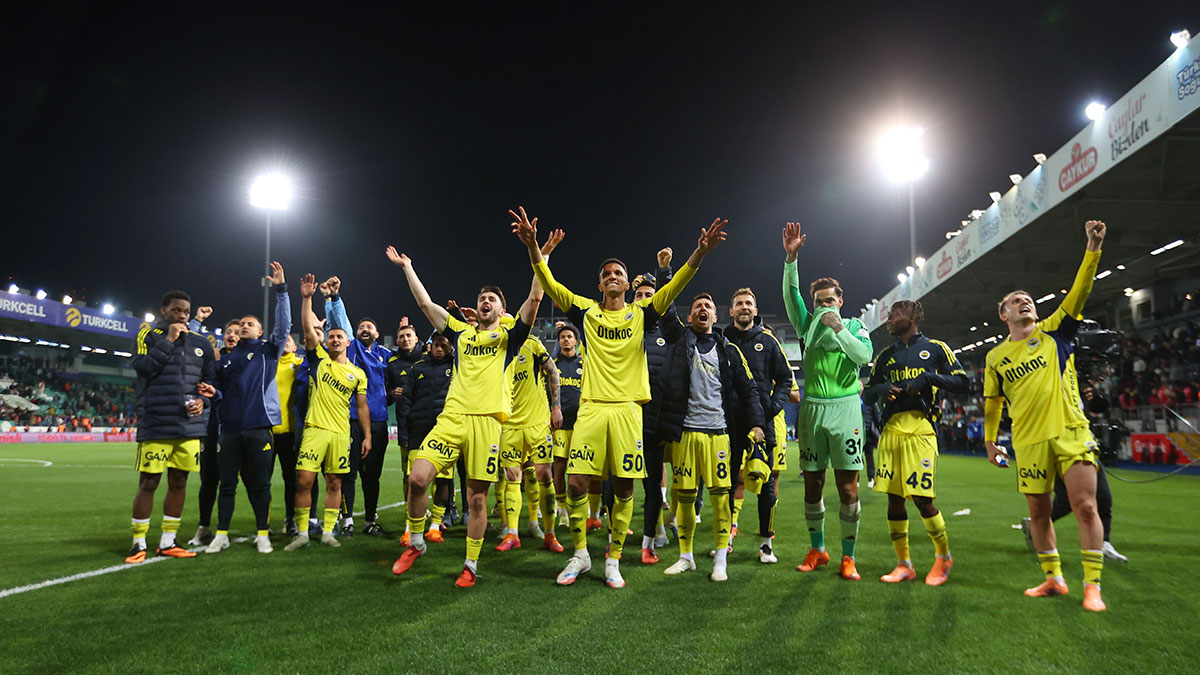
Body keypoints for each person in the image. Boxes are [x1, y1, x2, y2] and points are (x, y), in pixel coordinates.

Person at [515, 206, 727, 588]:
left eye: (618, 273)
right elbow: (547, 281)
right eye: (606, 275)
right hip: (592, 409)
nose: (612, 277)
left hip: (629, 410)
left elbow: (676, 285)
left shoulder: (642, 312)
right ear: (600, 286)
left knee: (626, 488)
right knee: (576, 483)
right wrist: (534, 248)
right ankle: (581, 554)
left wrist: (700, 252)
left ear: (627, 284)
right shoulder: (586, 312)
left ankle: (613, 559)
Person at [386, 243, 541, 588]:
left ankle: (470, 564)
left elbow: (535, 299)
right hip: (453, 417)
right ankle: (416, 542)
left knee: (477, 499)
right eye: (482, 297)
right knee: (417, 479)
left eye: (492, 299)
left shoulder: (510, 338)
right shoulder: (460, 333)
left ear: (502, 310)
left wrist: (537, 254)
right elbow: (426, 304)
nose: (485, 301)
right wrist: (407, 267)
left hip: (488, 422)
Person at [984, 219, 1110, 612]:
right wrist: (990, 441)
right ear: (1003, 314)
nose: (1024, 302)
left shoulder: (1056, 331)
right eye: (1015, 301)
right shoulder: (995, 357)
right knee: (1038, 512)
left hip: (1070, 431)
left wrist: (1092, 249)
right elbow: (994, 402)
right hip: (1028, 440)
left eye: (1028, 299)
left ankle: (1092, 586)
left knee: (1085, 506)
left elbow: (1081, 290)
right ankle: (1053, 578)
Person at [781, 222, 873, 581]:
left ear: (841, 301)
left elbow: (863, 356)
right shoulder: (806, 325)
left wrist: (838, 328)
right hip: (813, 410)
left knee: (848, 486)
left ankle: (848, 557)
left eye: (829, 301)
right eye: (819, 302)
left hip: (846, 410)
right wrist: (791, 260)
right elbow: (791, 296)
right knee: (813, 484)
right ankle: (818, 549)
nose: (824, 306)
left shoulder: (855, 327)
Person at [658, 293, 766, 581]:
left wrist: (757, 423)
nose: (703, 309)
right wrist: (665, 275)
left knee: (720, 499)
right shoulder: (679, 342)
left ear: (715, 317)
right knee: (685, 499)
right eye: (697, 306)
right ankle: (686, 557)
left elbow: (749, 389)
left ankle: (720, 559)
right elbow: (666, 313)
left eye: (708, 306)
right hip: (685, 433)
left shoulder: (729, 350)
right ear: (690, 316)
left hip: (718, 433)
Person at [863, 299, 969, 585]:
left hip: (921, 431)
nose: (889, 318)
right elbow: (867, 394)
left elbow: (963, 382)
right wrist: (882, 388)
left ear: (912, 317)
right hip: (891, 432)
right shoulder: (885, 356)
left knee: (922, 500)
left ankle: (943, 557)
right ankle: (904, 564)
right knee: (894, 500)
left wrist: (928, 379)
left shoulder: (936, 348)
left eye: (894, 313)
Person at [126, 290, 219, 563]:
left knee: (179, 482)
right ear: (164, 311)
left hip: (189, 426)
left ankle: (168, 541)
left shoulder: (201, 344)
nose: (182, 316)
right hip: (156, 422)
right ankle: (138, 543)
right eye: (177, 310)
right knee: (149, 482)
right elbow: (143, 367)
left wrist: (203, 400)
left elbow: (210, 382)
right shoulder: (147, 336)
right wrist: (169, 340)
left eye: (186, 312)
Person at [207, 261, 292, 555]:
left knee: (260, 485)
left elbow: (284, 325)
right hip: (229, 430)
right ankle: (221, 534)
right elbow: (220, 392)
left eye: (250, 324)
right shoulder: (225, 360)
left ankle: (262, 534)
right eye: (241, 324)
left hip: (258, 428)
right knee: (227, 485)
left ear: (260, 331)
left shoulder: (268, 350)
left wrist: (281, 290)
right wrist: (213, 392)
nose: (244, 326)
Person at [284, 274, 371, 551]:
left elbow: (362, 406)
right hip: (315, 430)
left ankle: (328, 532)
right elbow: (308, 330)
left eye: (339, 336)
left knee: (335, 483)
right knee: (304, 481)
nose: (334, 339)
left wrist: (367, 436)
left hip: (341, 433)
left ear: (347, 342)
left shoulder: (357, 374)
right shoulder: (318, 360)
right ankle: (302, 533)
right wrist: (307, 298)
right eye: (331, 336)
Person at [723, 287, 792, 565]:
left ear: (755, 309)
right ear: (731, 310)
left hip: (762, 425)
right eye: (739, 303)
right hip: (729, 424)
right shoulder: (722, 340)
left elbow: (785, 379)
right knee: (727, 483)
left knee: (766, 485)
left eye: (748, 303)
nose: (744, 307)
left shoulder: (769, 342)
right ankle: (725, 539)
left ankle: (766, 544)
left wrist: (772, 408)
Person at [324, 279, 393, 536]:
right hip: (351, 419)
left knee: (372, 476)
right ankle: (348, 521)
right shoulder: (352, 348)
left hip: (378, 421)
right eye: (361, 327)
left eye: (369, 327)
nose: (364, 329)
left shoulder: (387, 355)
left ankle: (370, 520)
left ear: (377, 333)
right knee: (348, 473)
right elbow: (340, 323)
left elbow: (407, 364)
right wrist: (334, 299)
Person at [497, 331, 563, 552]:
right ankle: (512, 533)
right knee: (512, 477)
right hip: (509, 424)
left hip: (537, 422)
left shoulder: (532, 343)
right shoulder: (496, 345)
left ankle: (549, 532)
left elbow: (552, 371)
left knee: (544, 475)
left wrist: (556, 407)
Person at [632, 253, 676, 565]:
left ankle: (663, 525)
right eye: (640, 295)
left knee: (660, 479)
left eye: (650, 294)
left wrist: (664, 272)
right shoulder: (626, 330)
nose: (645, 299)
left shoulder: (669, 332)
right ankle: (618, 534)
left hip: (660, 417)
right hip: (626, 416)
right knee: (619, 480)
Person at [188, 317, 240, 546]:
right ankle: (204, 528)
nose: (232, 336)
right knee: (208, 481)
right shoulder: (214, 362)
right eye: (229, 331)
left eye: (237, 332)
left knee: (242, 482)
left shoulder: (250, 363)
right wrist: (197, 322)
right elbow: (190, 346)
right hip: (212, 428)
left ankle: (257, 530)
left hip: (238, 429)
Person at [400, 331, 455, 542]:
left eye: (444, 345)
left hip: (445, 431)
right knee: (413, 480)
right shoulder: (417, 368)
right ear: (430, 346)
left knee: (443, 480)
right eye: (436, 345)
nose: (439, 349)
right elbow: (406, 400)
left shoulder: (457, 368)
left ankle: (435, 526)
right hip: (418, 431)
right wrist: (404, 432)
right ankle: (409, 527)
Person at [385, 320, 423, 541]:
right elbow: (386, 393)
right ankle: (410, 520)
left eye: (409, 335)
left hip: (430, 423)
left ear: (417, 339)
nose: (405, 339)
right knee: (408, 475)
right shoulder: (392, 364)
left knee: (440, 475)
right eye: (401, 336)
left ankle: (440, 517)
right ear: (397, 341)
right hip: (406, 426)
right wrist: (392, 393)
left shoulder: (427, 357)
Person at [552, 322, 584, 542]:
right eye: (562, 337)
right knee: (559, 466)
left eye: (569, 337)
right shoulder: (553, 365)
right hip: (560, 426)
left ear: (576, 341)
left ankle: (582, 507)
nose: (566, 339)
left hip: (581, 425)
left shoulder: (584, 364)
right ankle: (561, 508)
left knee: (580, 468)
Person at [273, 333, 304, 536]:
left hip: (290, 431)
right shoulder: (268, 364)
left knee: (292, 479)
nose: (285, 343)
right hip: (267, 431)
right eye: (282, 340)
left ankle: (291, 519)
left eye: (289, 340)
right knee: (261, 481)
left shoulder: (300, 364)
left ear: (295, 347)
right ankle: (263, 523)